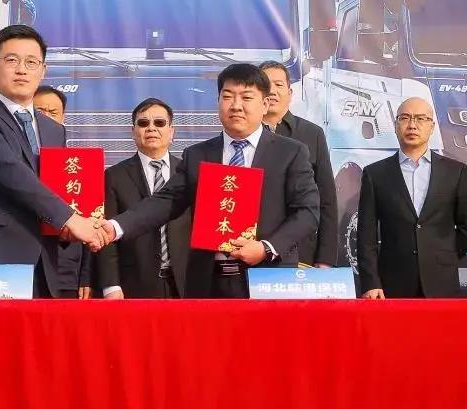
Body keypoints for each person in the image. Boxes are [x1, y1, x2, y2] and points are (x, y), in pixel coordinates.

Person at [96, 64, 319, 298]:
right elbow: (166, 200)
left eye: (246, 97)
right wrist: (116, 227)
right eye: (228, 96)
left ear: (264, 104)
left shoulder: (290, 153)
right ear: (218, 102)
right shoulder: (198, 155)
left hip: (267, 279)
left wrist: (265, 248)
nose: (236, 105)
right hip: (209, 283)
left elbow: (307, 212)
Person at [0, 25, 107, 298]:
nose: (22, 70)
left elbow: (58, 186)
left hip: (44, 263)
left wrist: (69, 225)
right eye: (12, 60)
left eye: (31, 62)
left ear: (43, 70)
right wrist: (70, 218)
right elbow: (10, 172)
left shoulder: (54, 130)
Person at [357, 97, 467, 298]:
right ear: (395, 125)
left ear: (432, 126)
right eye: (405, 118)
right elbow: (366, 236)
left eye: (421, 118)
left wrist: (443, 255)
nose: (412, 125)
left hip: (441, 282)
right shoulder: (375, 174)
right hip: (392, 283)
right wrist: (371, 282)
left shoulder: (455, 171)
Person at [98, 98, 191, 299]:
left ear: (172, 132)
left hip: (186, 284)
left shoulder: (189, 173)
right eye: (143, 123)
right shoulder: (113, 176)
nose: (151, 128)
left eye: (159, 123)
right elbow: (106, 234)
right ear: (133, 132)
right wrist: (111, 285)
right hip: (134, 284)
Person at [259, 60, 337, 267]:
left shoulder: (312, 134)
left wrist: (325, 258)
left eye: (279, 85)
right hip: (252, 250)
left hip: (301, 252)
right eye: (265, 84)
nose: (272, 91)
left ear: (290, 93)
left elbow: (327, 199)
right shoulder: (243, 137)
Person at [33, 84, 92, 299]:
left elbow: (90, 221)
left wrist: (86, 276)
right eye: (40, 112)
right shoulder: (13, 160)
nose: (47, 118)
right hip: (20, 268)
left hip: (65, 270)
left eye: (53, 112)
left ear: (63, 117)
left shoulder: (77, 165)